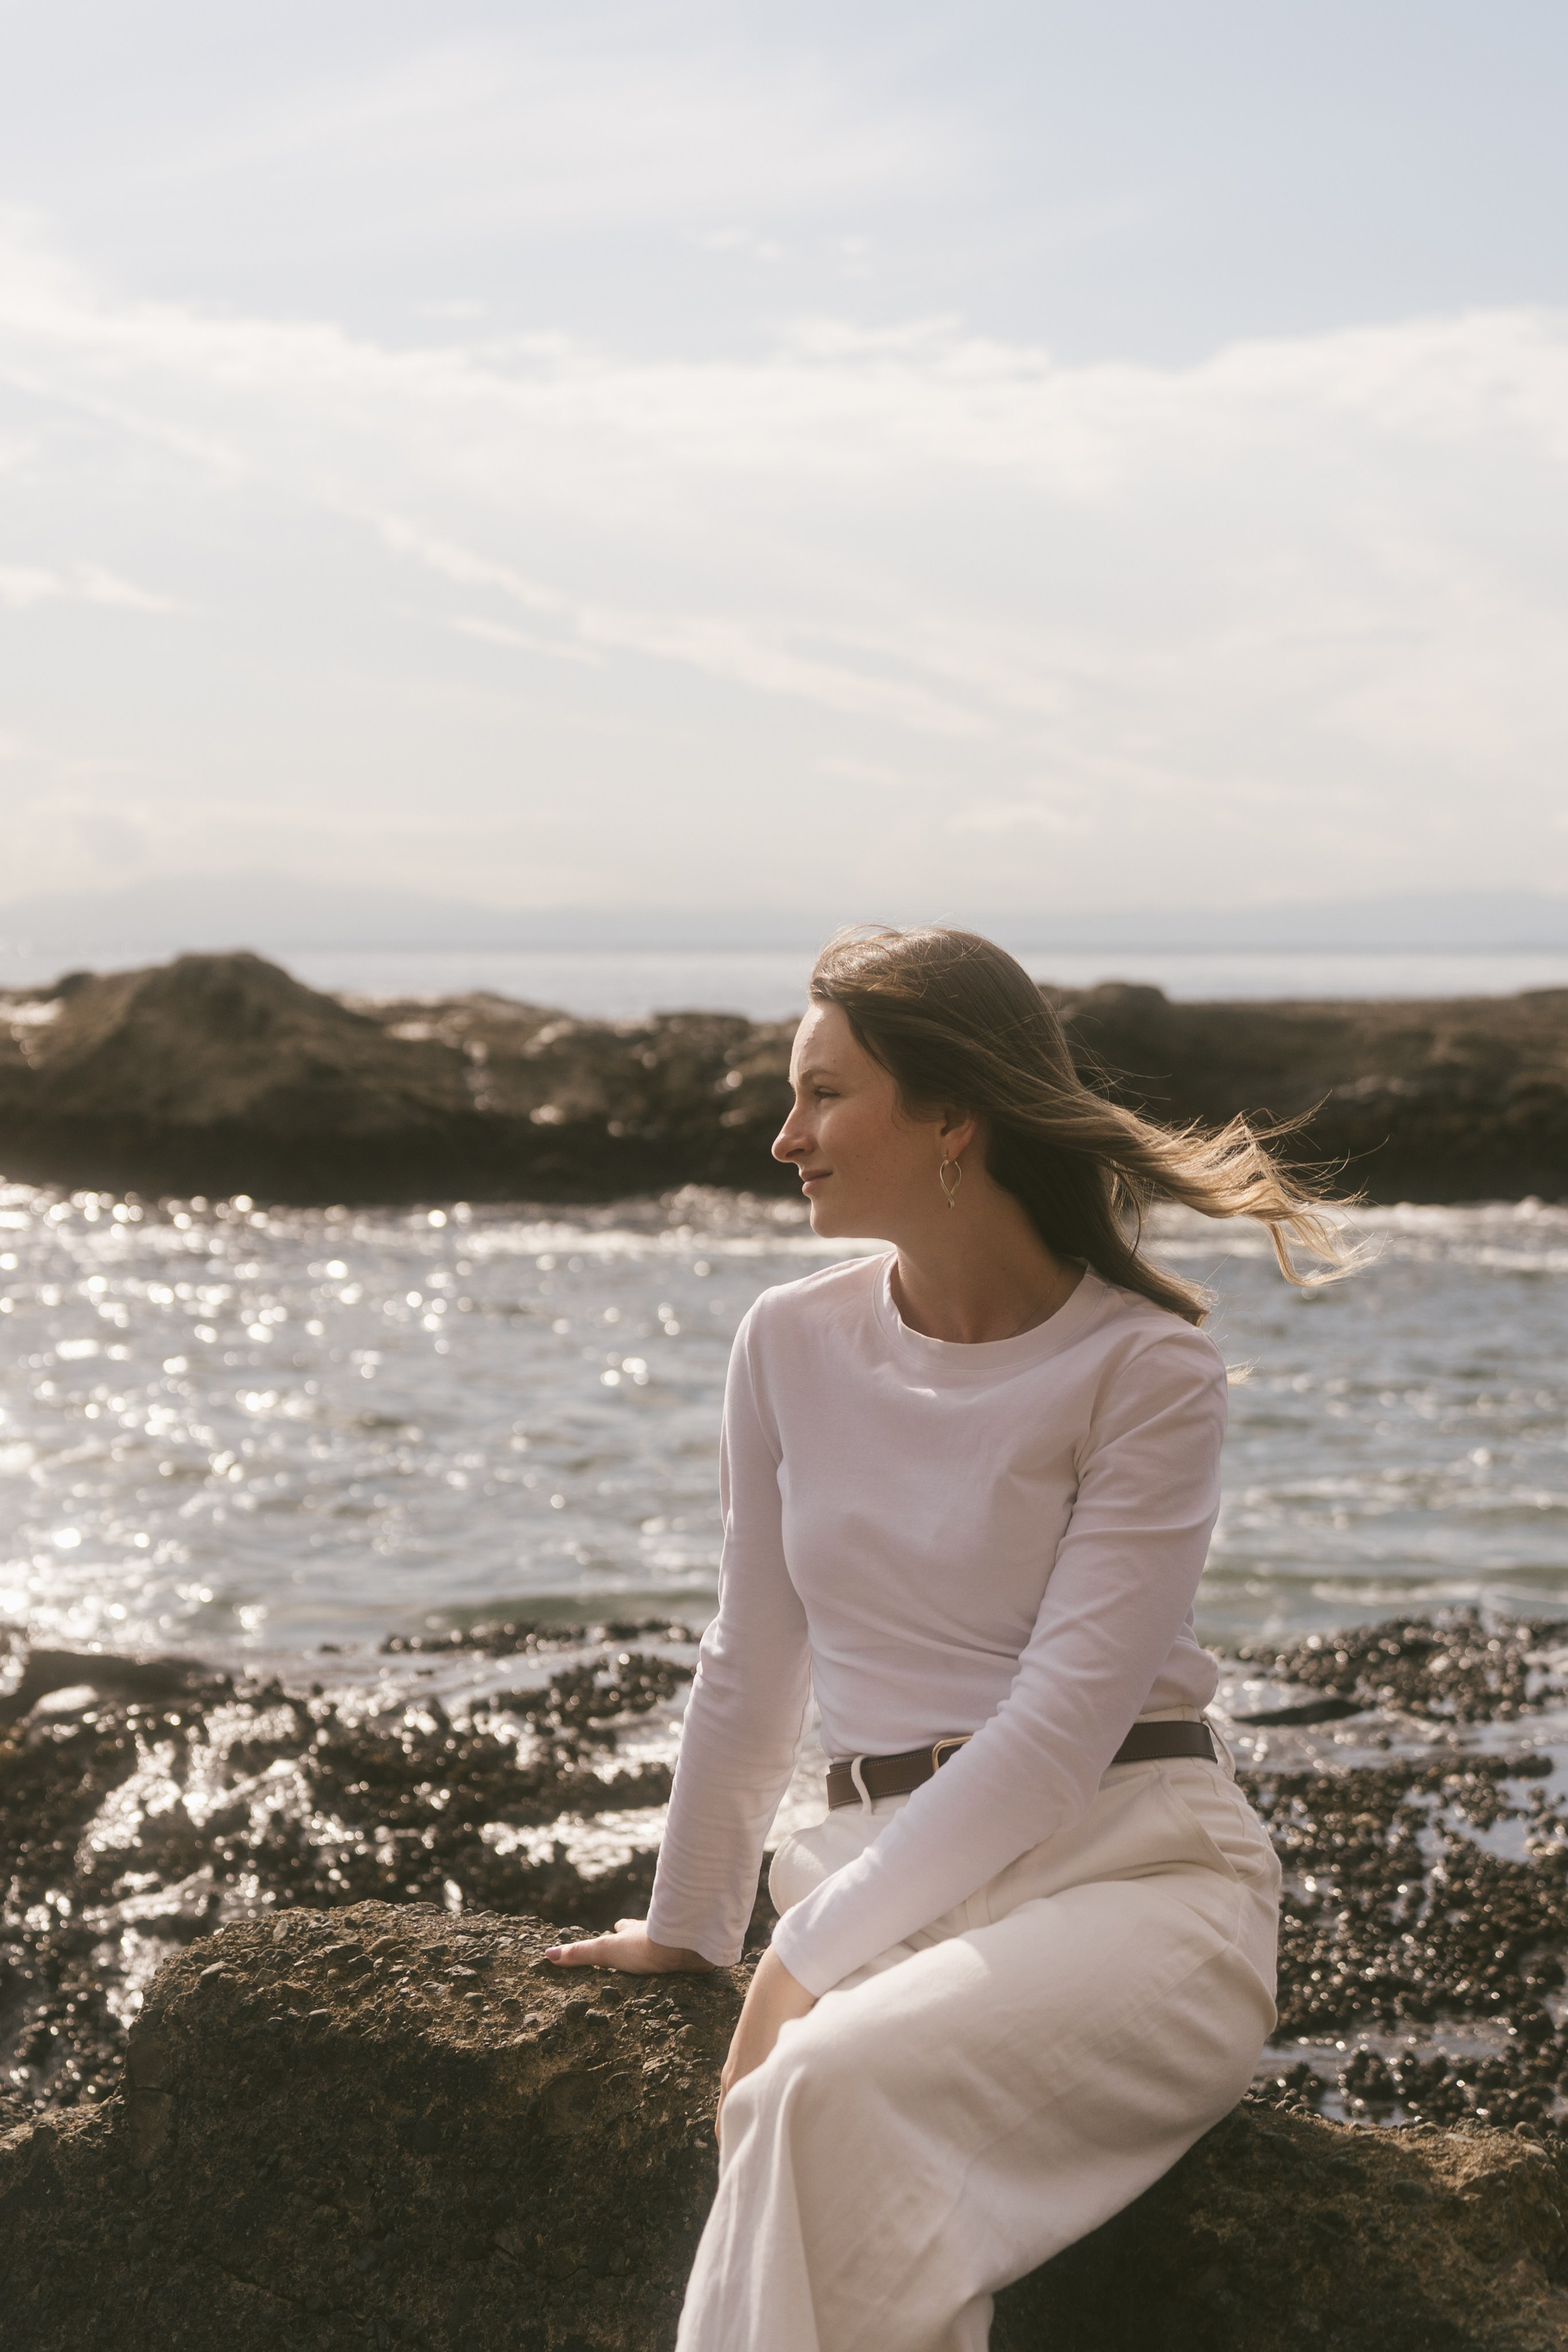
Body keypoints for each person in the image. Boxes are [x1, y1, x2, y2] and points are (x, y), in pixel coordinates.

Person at [548, 926, 1350, 2352]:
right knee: (818, 2115)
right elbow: (752, 1655)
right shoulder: (785, 1342)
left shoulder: (1144, 1368)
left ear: (950, 1119)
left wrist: (793, 1962)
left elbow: (1054, 1736)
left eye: (823, 1095)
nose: (783, 1136)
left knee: (817, 2087)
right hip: (877, 1875)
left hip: (1135, 1877)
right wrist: (689, 1926)